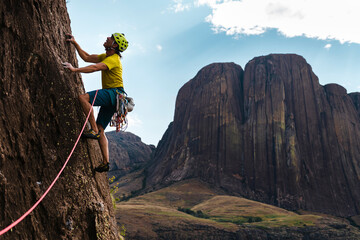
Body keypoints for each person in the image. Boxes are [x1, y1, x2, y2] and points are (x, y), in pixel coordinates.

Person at [63, 33, 128, 172]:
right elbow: (87, 57)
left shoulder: (113, 59)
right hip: (117, 98)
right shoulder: (107, 56)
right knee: (101, 128)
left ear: (114, 45)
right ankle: (105, 162)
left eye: (110, 38)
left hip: (113, 93)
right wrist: (75, 43)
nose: (107, 38)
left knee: (83, 98)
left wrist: (75, 70)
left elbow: (94, 68)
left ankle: (93, 130)